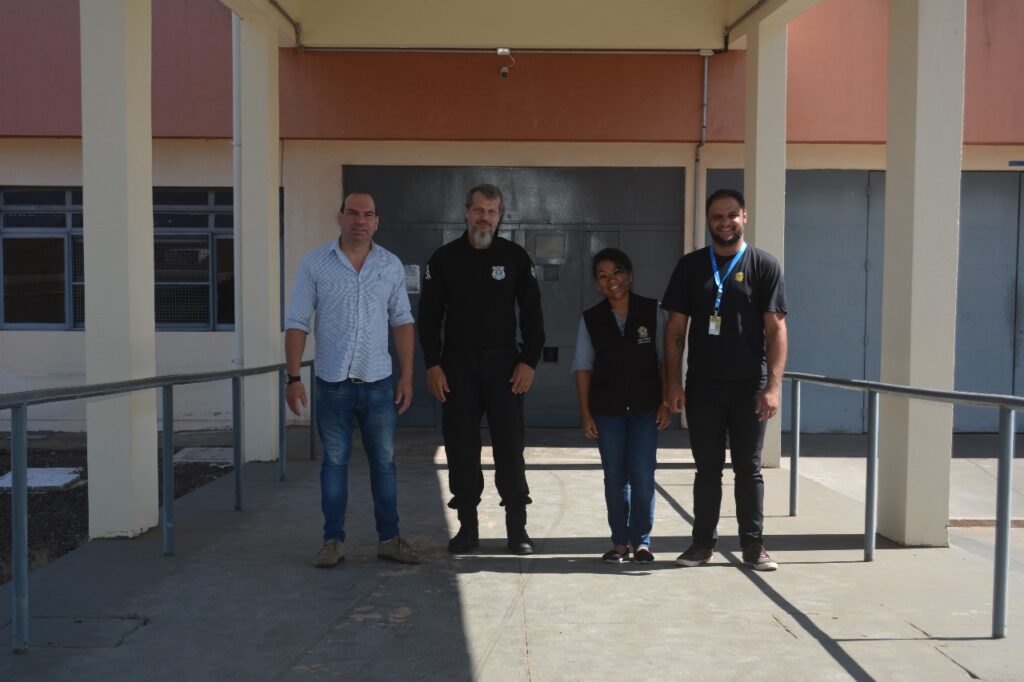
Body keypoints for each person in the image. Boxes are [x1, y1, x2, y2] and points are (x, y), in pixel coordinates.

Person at [285, 191, 421, 568]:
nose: (360, 220)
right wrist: (293, 377)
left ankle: (389, 539)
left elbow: (402, 321)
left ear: (376, 222)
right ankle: (333, 541)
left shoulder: (390, 265)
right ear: (340, 217)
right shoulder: (315, 263)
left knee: (385, 464)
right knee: (334, 463)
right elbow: (297, 321)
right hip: (333, 386)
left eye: (368, 214)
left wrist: (407, 376)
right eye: (353, 213)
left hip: (378, 385)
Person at [662, 188, 788, 571]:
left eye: (732, 215)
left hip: (750, 386)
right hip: (703, 386)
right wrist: (673, 383)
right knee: (707, 469)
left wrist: (773, 387)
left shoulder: (764, 265)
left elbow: (776, 331)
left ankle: (753, 545)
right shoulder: (690, 266)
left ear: (744, 217)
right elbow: (675, 330)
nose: (725, 222)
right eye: (717, 216)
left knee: (748, 468)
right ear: (708, 220)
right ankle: (702, 544)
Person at [418, 183, 545, 555]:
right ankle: (467, 528)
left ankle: (517, 529)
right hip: (458, 367)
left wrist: (528, 361)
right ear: (466, 212)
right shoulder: (444, 259)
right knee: (461, 447)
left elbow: (533, 316)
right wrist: (433, 364)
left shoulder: (514, 257)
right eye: (478, 210)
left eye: (491, 211)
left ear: (500, 215)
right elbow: (429, 318)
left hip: (504, 366)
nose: (484, 218)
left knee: (510, 447)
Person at [572, 248, 671, 564]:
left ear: (628, 274)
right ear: (597, 283)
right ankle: (619, 543)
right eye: (602, 276)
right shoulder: (591, 319)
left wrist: (665, 402)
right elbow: (583, 367)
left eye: (616, 272)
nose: (611, 280)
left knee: (642, 475)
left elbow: (664, 361)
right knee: (615, 478)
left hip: (645, 409)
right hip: (607, 411)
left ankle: (642, 542)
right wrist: (585, 412)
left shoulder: (652, 311)